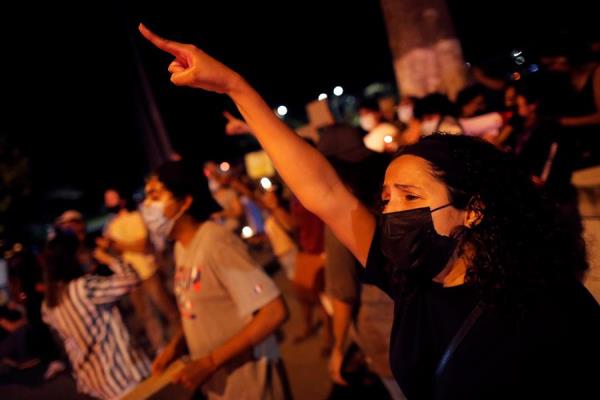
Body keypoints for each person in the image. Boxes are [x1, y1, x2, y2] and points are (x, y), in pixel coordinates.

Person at [138, 24, 600, 399]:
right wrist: (234, 87)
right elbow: (325, 192)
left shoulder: (548, 305)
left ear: (472, 212)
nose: (393, 213)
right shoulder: (411, 278)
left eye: (411, 198)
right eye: (386, 200)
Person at [146, 160, 290, 399]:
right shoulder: (181, 248)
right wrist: (179, 343)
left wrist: (210, 362)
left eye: (155, 195)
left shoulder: (216, 242)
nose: (147, 205)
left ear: (185, 202)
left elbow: (274, 311)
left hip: (252, 387)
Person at [41, 229, 150, 399]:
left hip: (93, 382)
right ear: (72, 258)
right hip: (120, 378)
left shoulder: (49, 303)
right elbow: (131, 279)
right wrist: (107, 257)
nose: (88, 255)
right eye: (83, 251)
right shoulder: (84, 287)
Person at [101, 188, 180, 353]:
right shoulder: (111, 226)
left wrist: (117, 244)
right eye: (106, 199)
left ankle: (180, 339)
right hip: (130, 276)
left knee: (167, 307)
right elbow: (114, 250)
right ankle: (160, 347)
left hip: (147, 270)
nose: (109, 202)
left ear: (121, 199)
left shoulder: (136, 217)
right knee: (146, 315)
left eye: (112, 198)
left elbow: (142, 245)